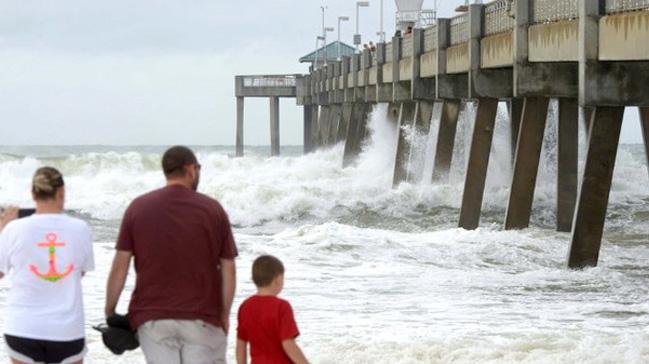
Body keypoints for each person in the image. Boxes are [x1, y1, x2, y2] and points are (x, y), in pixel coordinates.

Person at [105, 145, 238, 364]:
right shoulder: (212, 210)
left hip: (153, 319)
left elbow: (120, 265)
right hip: (201, 316)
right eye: (199, 168)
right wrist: (224, 313)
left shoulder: (138, 208)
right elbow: (228, 269)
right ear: (190, 169)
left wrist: (110, 309)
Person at [0, 167, 95, 364]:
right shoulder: (80, 229)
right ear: (62, 192)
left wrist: (2, 228)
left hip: (23, 327)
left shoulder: (13, 229)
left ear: (33, 194)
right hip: (67, 330)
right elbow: (81, 271)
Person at [236, 255, 308, 364]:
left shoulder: (245, 306)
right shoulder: (282, 306)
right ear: (278, 279)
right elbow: (288, 343)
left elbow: (241, 343)